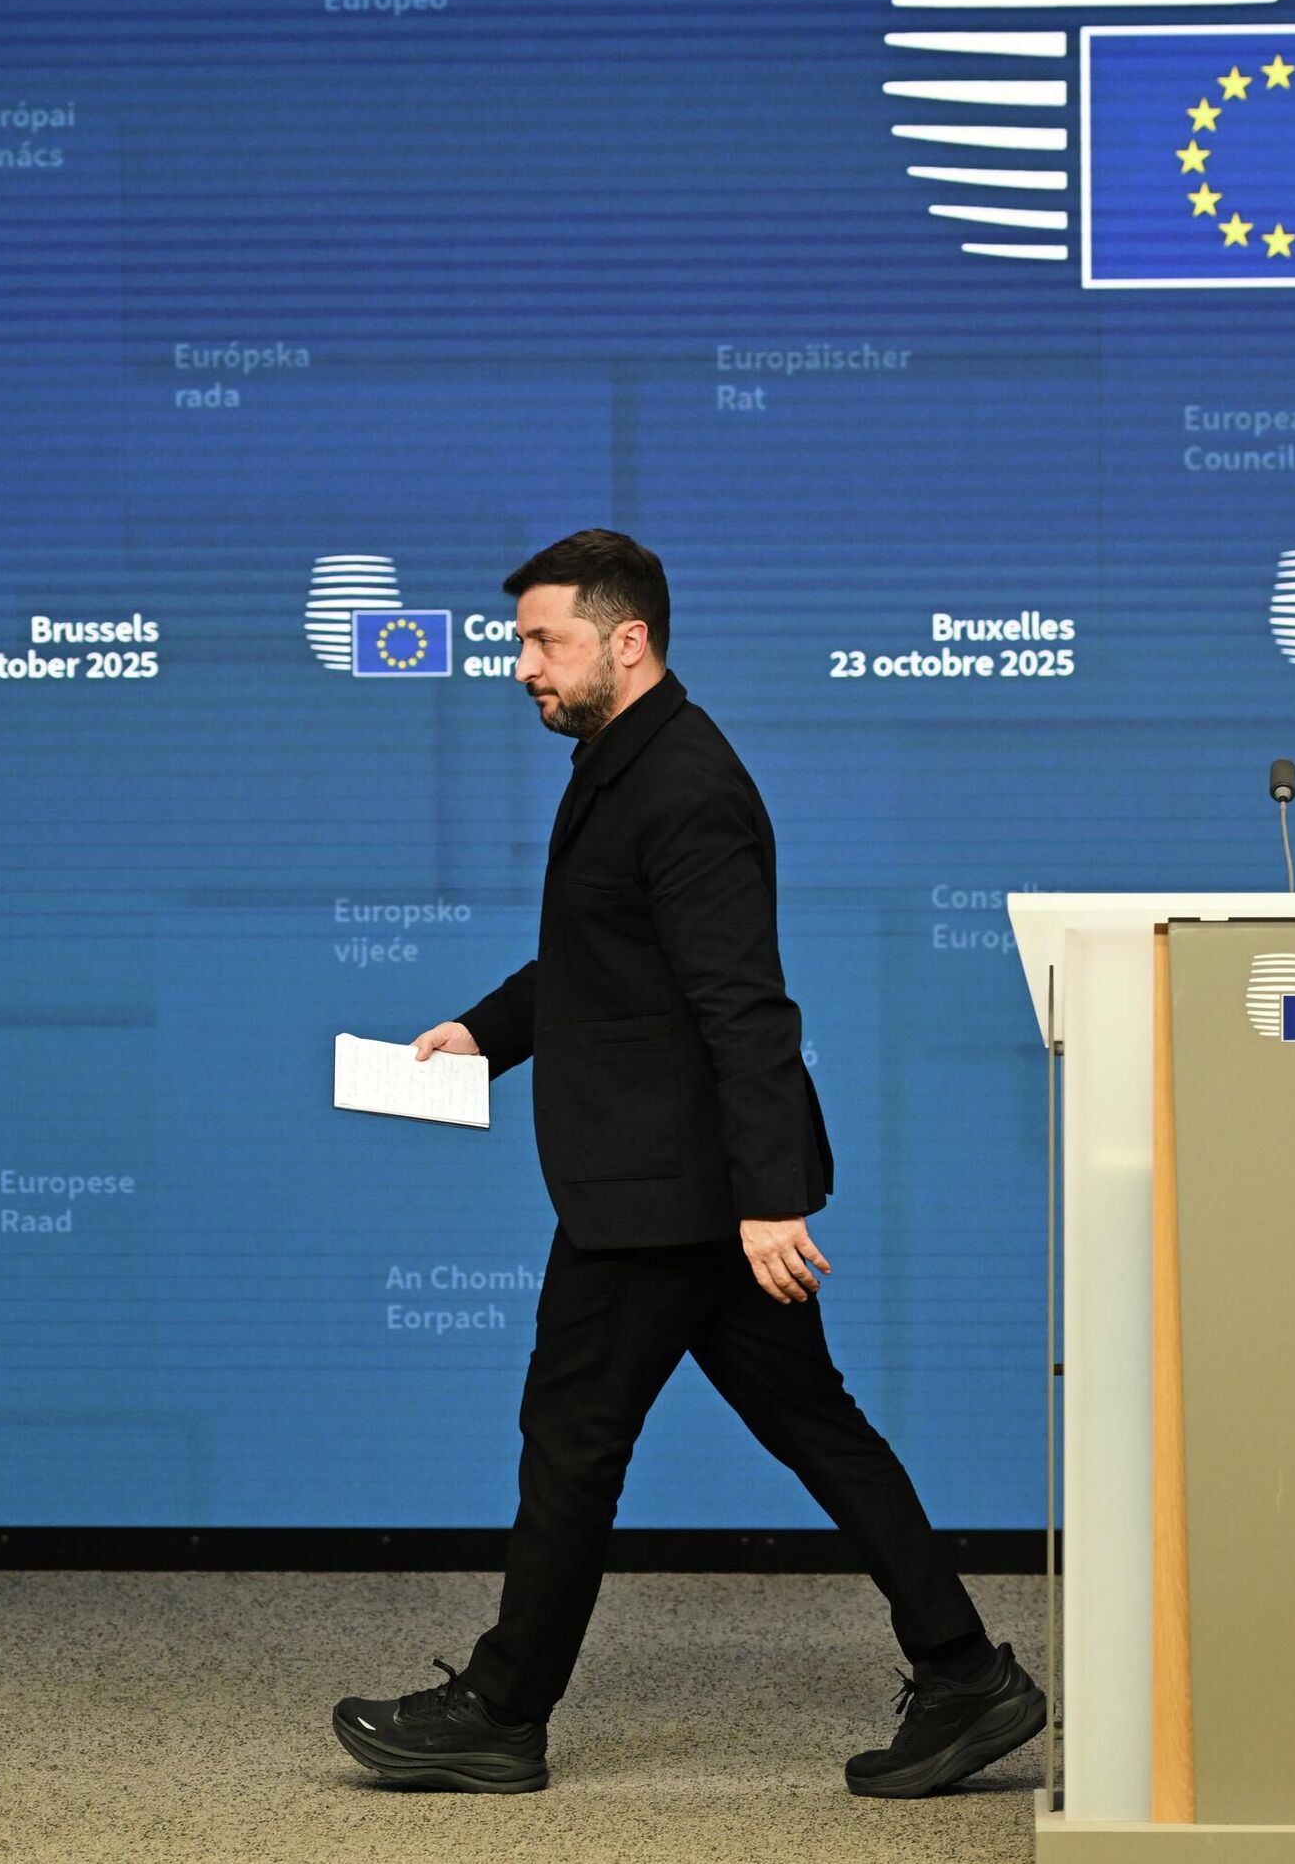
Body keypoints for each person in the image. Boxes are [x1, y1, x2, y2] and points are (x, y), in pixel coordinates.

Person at [332, 529, 1045, 1797]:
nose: (522, 665)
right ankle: (963, 1668)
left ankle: (501, 1710)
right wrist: (484, 1034)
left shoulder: (686, 784)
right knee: (812, 1422)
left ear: (628, 639)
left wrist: (768, 1200)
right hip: (681, 1186)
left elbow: (744, 1006)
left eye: (544, 640)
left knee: (573, 1438)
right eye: (518, 641)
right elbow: (604, 961)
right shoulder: (626, 764)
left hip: (667, 1195)